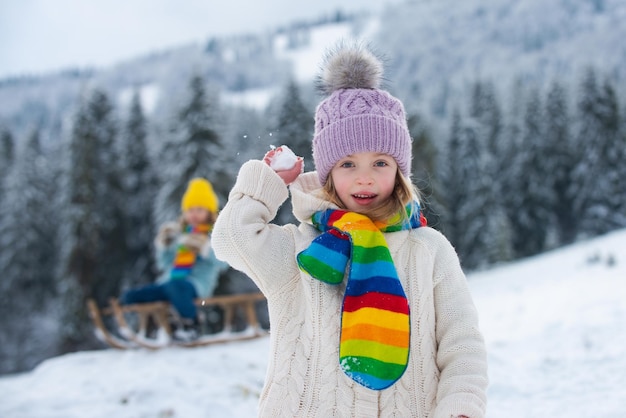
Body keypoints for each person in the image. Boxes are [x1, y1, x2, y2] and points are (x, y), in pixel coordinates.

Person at [212, 43, 488, 417]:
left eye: (380, 162)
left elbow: (461, 344)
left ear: (399, 171)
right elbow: (232, 240)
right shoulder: (300, 250)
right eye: (347, 164)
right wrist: (267, 184)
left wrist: (460, 407)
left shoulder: (428, 249)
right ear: (326, 173)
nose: (364, 177)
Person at [121, 177, 227, 340]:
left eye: (200, 209)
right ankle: (139, 329)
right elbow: (164, 264)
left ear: (209, 212)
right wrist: (164, 246)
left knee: (177, 287)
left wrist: (205, 248)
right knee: (132, 296)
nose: (194, 214)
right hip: (169, 282)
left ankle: (192, 324)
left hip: (197, 285)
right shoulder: (181, 235)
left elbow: (224, 264)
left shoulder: (214, 235)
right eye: (190, 209)